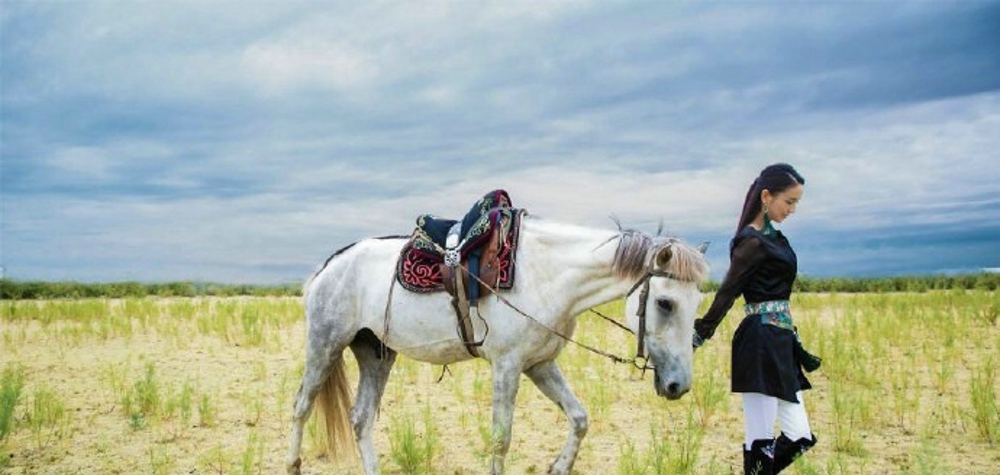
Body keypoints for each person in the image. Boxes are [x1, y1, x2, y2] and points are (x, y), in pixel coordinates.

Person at [693, 163, 820, 475]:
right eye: (789, 202)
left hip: (781, 339)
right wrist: (699, 334)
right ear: (767, 196)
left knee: (800, 436)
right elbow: (728, 292)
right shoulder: (751, 241)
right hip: (759, 341)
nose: (792, 209)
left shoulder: (776, 239)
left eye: (796, 203)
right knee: (760, 438)